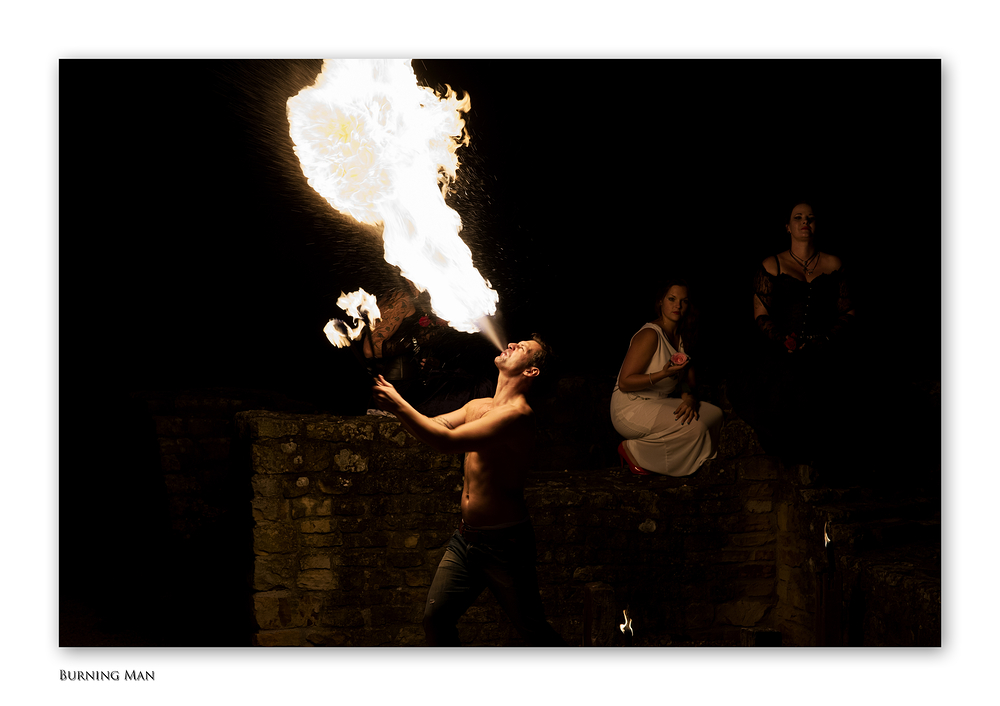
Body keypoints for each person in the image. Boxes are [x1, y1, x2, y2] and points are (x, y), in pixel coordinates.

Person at [371, 334, 566, 647]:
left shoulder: (517, 417)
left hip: (504, 546)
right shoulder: (480, 405)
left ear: (531, 371)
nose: (514, 344)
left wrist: (398, 404)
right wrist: (397, 406)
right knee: (435, 621)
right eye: (517, 341)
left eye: (525, 348)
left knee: (534, 633)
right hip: (466, 539)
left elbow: (446, 443)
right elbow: (434, 425)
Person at [747, 200, 857, 464]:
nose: (804, 222)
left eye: (810, 217)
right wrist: (784, 339)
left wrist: (827, 338)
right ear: (788, 226)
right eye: (798, 217)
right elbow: (761, 314)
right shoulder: (772, 264)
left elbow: (849, 311)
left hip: (825, 348)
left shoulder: (833, 262)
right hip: (782, 350)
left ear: (816, 225)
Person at [610, 279, 724, 477]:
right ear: (660, 302)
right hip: (630, 407)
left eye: (684, 301)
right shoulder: (650, 334)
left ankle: (656, 452)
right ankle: (634, 451)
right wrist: (662, 374)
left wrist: (689, 399)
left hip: (658, 402)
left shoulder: (683, 336)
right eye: (672, 299)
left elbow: (688, 383)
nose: (677, 305)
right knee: (696, 428)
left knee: (715, 415)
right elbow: (625, 383)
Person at [362, 278, 496, 416]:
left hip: (419, 386)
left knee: (481, 386)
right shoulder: (402, 298)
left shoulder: (427, 301)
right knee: (480, 388)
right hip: (399, 391)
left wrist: (432, 364)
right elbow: (370, 348)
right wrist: (418, 341)